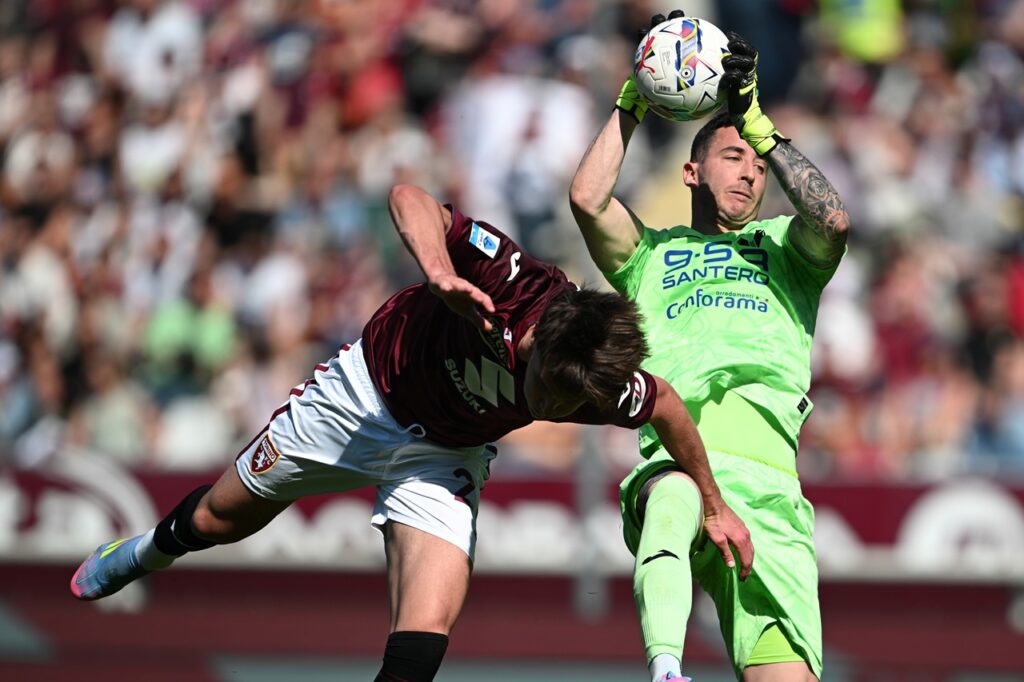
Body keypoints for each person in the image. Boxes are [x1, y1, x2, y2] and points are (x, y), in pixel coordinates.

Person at [70, 183, 753, 682]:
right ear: (544, 340)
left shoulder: (594, 381)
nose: (547, 404)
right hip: (362, 396)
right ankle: (144, 552)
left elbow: (667, 406)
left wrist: (715, 504)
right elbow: (410, 197)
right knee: (217, 520)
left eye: (565, 401)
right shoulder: (511, 281)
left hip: (444, 453)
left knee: (423, 640)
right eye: (546, 385)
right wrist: (439, 272)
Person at [569, 11, 850, 682]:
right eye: (732, 157)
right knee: (673, 495)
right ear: (691, 172)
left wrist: (760, 128)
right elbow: (587, 199)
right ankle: (667, 670)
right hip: (679, 454)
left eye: (758, 165)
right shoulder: (650, 255)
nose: (750, 174)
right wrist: (636, 97)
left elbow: (834, 219)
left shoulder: (785, 249)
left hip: (772, 489)